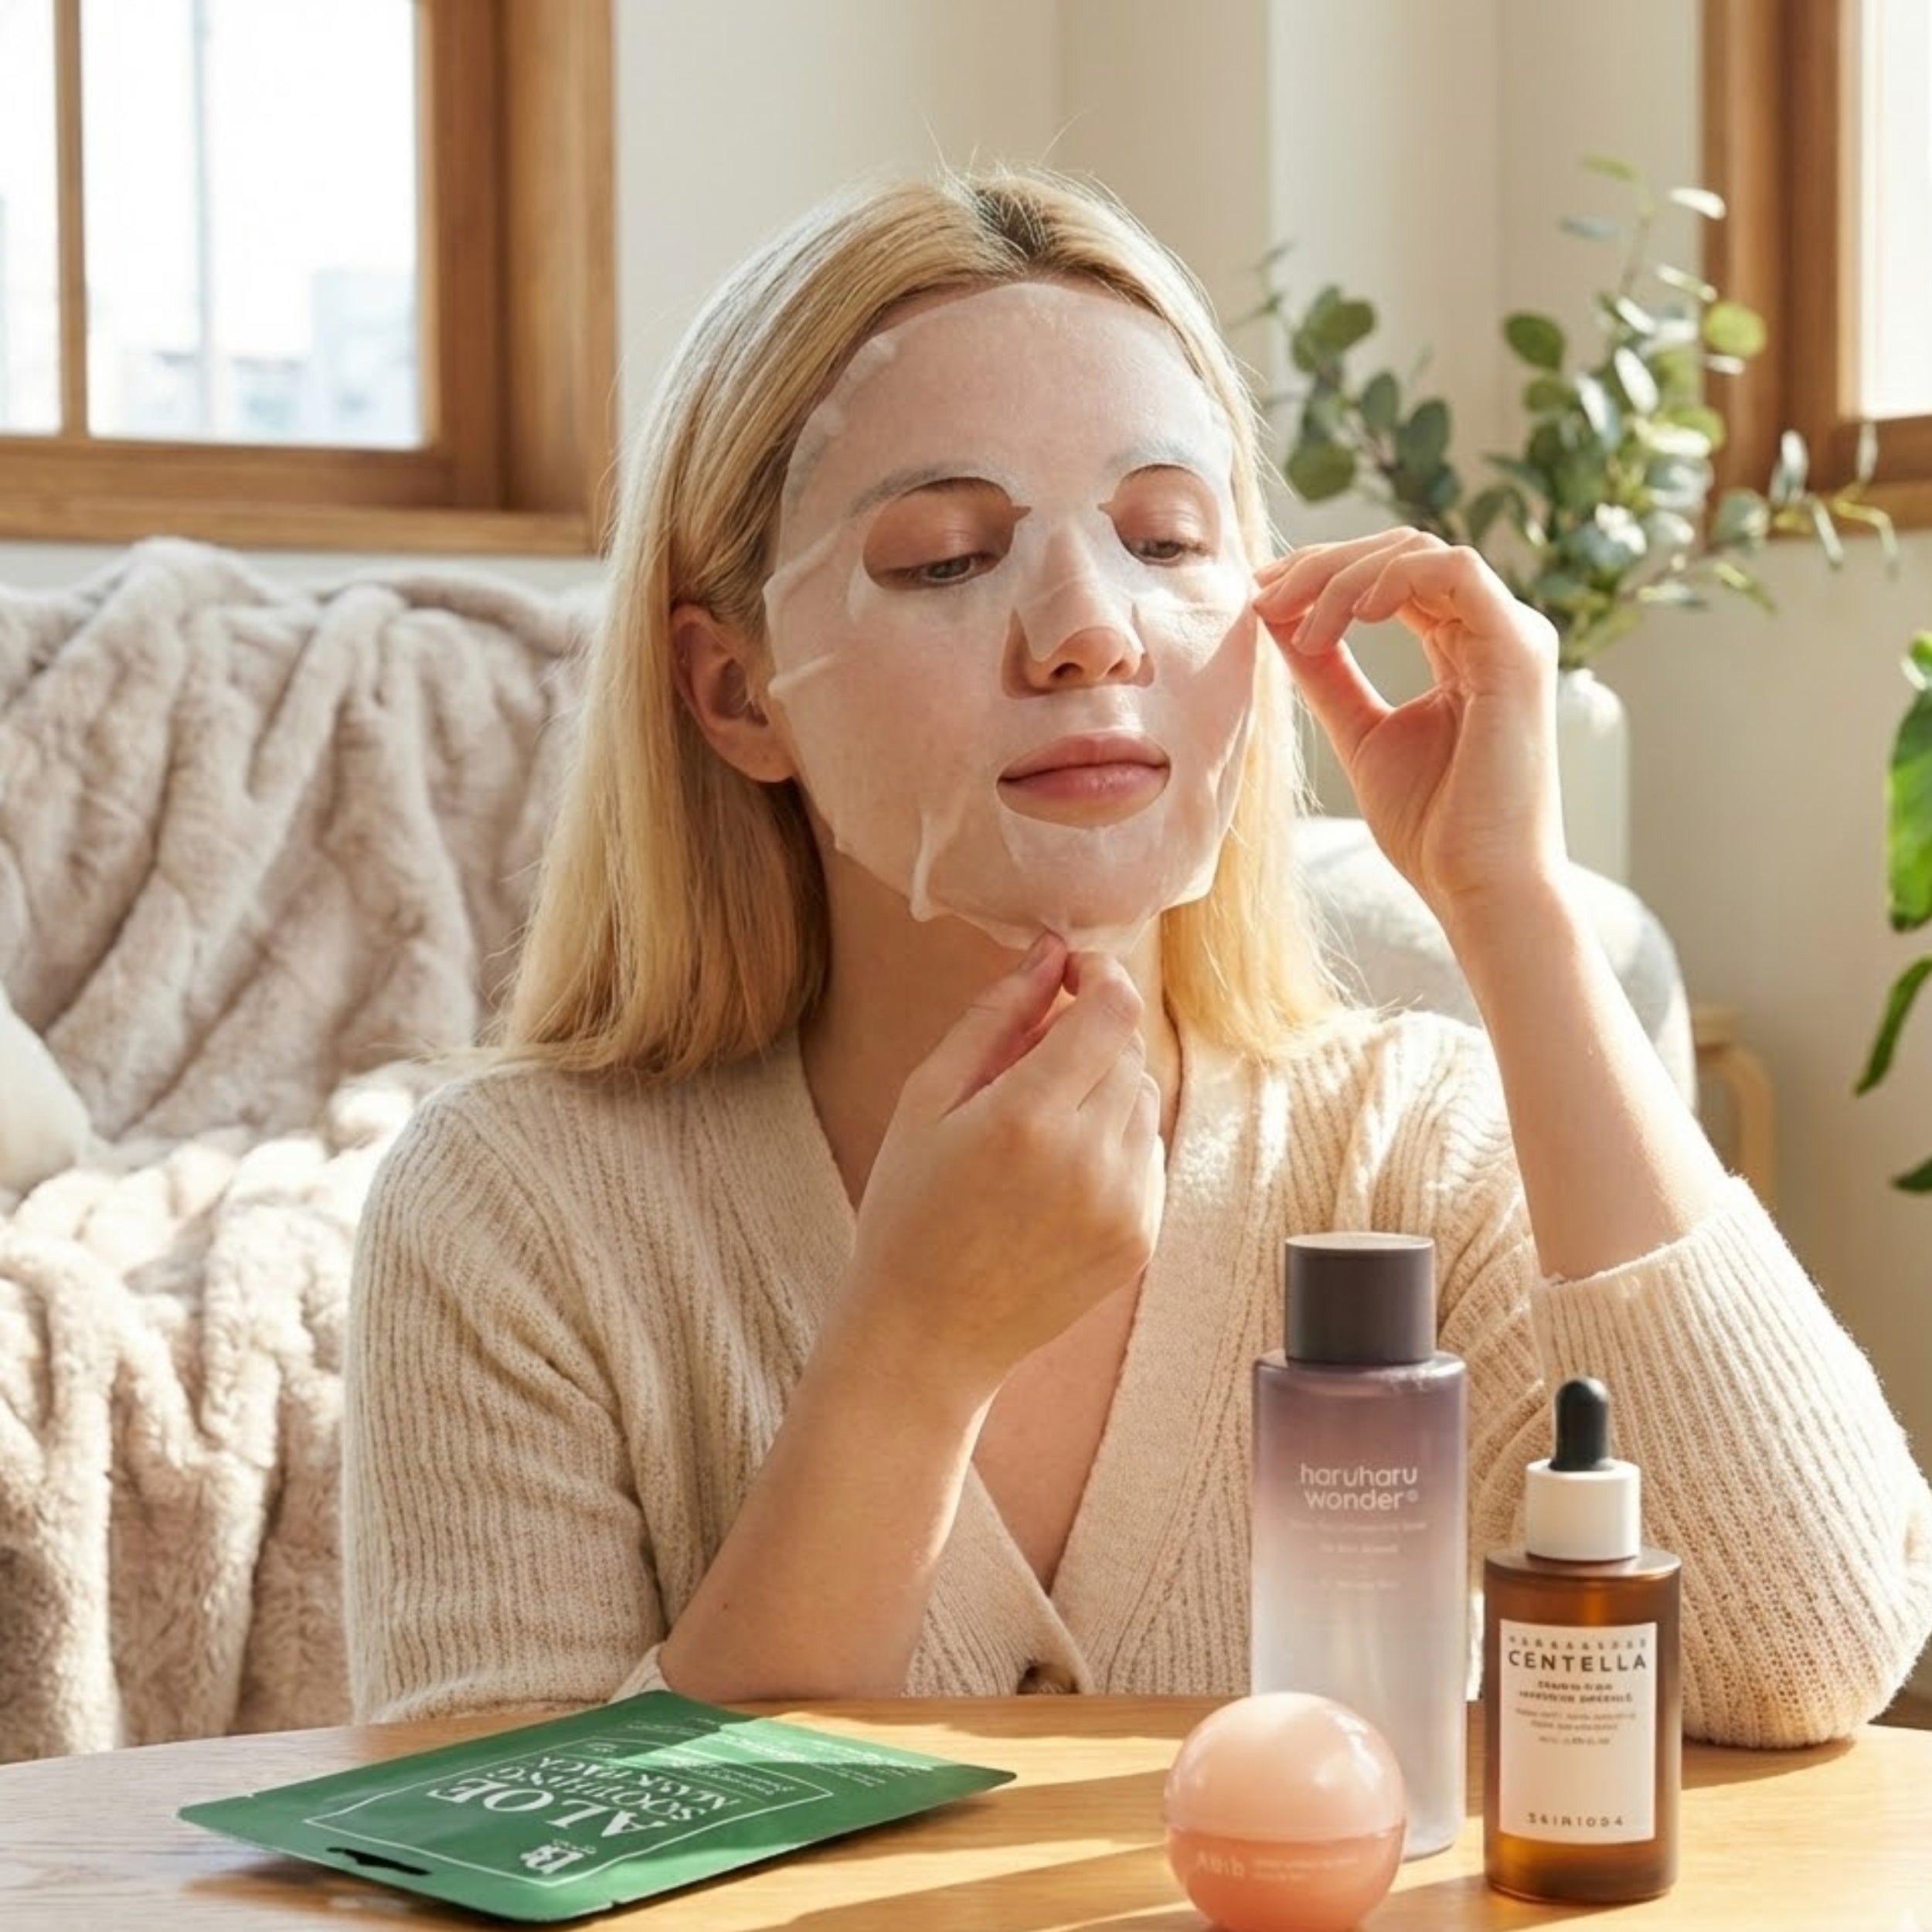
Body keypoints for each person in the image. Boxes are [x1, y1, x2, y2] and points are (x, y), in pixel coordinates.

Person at [342, 165, 1932, 1748]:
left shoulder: (1411, 1150)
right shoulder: (512, 1207)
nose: (1087, 628)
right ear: (733, 691)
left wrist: (1507, 895)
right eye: (949, 553)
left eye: (1165, 538)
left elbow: (1794, 1652)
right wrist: (905, 1363)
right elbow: (495, 1847)